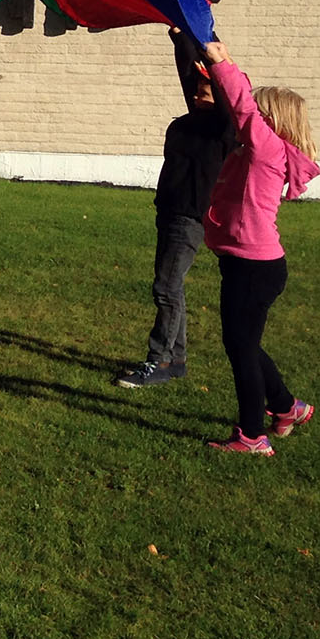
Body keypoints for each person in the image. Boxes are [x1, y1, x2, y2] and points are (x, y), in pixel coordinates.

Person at [199, 39, 320, 455]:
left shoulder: (266, 148)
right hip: (249, 263)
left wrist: (223, 67)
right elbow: (244, 108)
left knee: (241, 348)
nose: (243, 117)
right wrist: (225, 62)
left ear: (271, 121)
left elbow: (242, 108)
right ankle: (287, 407)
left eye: (256, 113)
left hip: (253, 267)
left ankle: (251, 436)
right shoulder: (260, 150)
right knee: (243, 343)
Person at [115, 30, 235, 388]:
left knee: (166, 288)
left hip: (191, 218)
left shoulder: (223, 129)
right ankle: (176, 358)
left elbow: (226, 92)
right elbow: (189, 75)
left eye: (206, 90)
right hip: (168, 212)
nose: (198, 94)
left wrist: (215, 55)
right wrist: (182, 38)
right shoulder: (191, 120)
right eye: (196, 89)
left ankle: (160, 359)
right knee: (172, 287)